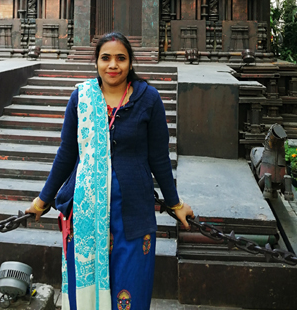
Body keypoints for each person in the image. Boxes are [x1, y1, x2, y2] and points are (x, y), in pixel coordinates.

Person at [26, 32, 194, 310]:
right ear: (96, 62)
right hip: (85, 212)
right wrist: (43, 200)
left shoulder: (148, 99)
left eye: (120, 58)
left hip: (132, 212)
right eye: (106, 58)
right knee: (86, 293)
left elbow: (159, 158)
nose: (113, 65)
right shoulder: (81, 98)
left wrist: (175, 203)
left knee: (131, 289)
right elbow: (67, 155)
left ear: (130, 63)